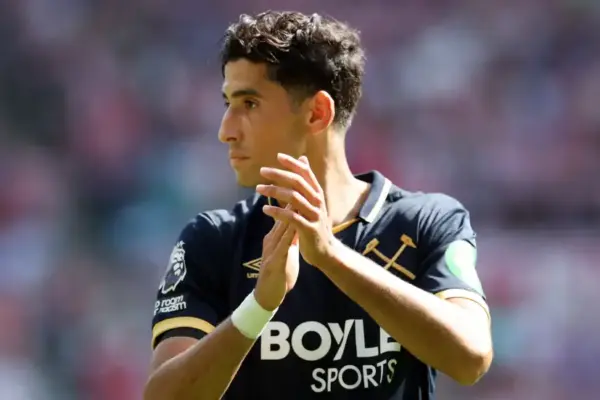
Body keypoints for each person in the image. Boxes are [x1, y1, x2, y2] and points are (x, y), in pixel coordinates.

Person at [144, 10, 493, 400]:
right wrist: (258, 307)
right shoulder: (212, 240)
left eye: (250, 104)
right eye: (228, 103)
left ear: (316, 113)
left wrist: (330, 256)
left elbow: (471, 357)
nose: (226, 130)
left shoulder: (427, 222)